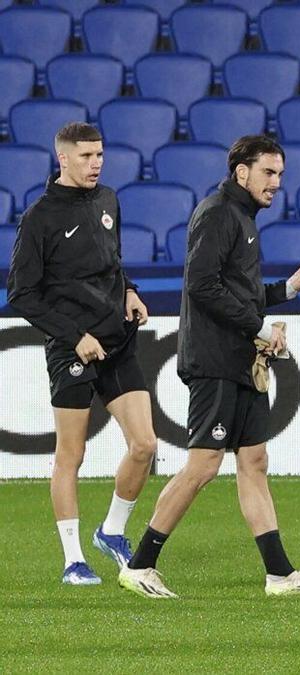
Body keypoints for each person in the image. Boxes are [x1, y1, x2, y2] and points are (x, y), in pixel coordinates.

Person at [118, 135, 300, 599]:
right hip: (216, 360)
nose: (276, 183)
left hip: (241, 359)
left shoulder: (241, 217)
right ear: (242, 171)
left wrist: (283, 291)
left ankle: (279, 575)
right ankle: (140, 565)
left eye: (280, 174)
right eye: (268, 173)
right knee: (202, 465)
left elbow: (235, 288)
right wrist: (258, 328)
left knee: (254, 461)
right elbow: (201, 285)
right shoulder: (218, 212)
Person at [7, 122, 157, 585]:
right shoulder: (40, 218)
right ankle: (73, 560)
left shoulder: (108, 199)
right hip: (72, 348)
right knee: (70, 455)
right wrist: (74, 336)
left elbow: (111, 259)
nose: (96, 163)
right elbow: (21, 293)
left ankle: (111, 531)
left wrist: (129, 289)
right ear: (63, 159)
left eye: (100, 155)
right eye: (87, 156)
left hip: (116, 340)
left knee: (145, 446)